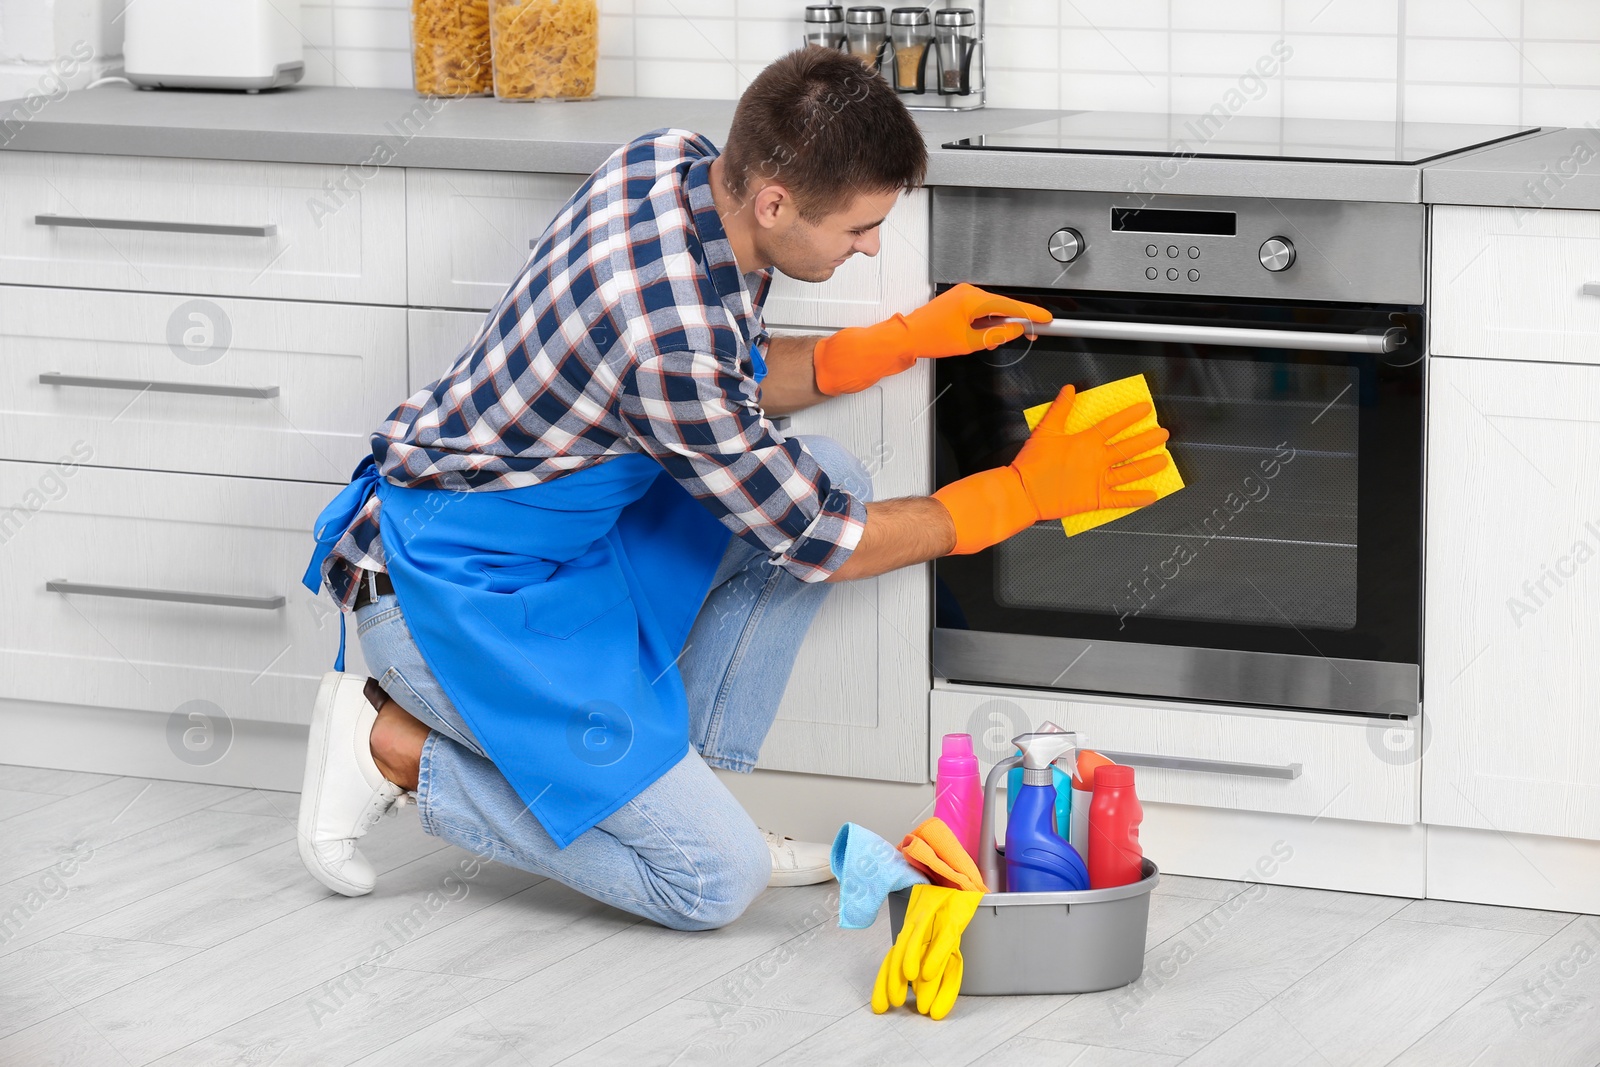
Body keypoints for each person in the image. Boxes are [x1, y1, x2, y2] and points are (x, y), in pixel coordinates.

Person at [296, 46, 1167, 932]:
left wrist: (906, 338)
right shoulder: (664, 341)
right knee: (712, 883)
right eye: (859, 229)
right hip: (441, 598)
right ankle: (392, 747)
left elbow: (731, 381)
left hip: (547, 547)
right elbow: (825, 539)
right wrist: (1020, 493)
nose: (870, 247)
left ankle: (682, 787)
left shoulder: (668, 163)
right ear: (775, 202)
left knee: (833, 469)